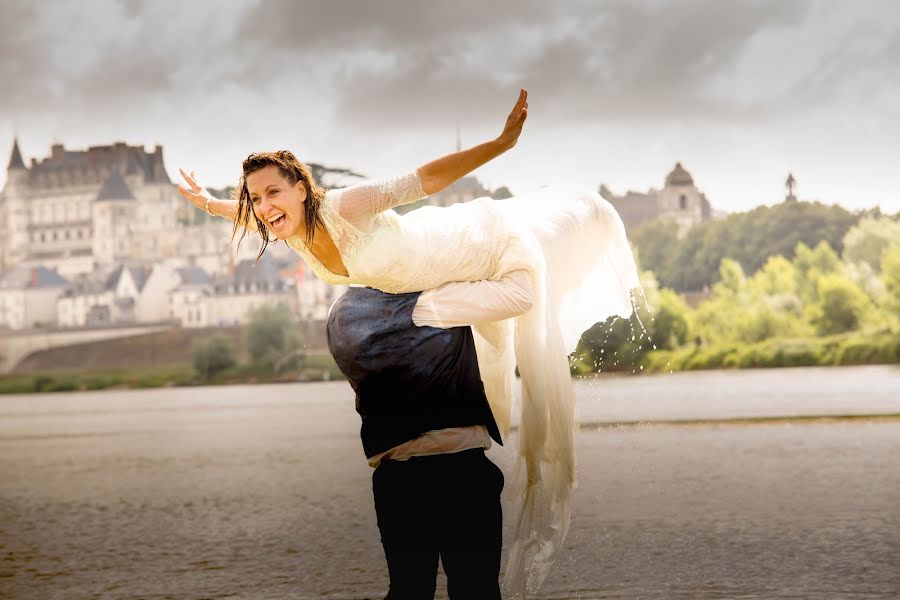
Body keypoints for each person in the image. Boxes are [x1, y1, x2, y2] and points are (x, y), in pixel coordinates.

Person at [177, 89, 640, 595]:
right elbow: (246, 214)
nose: (264, 206)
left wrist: (500, 144)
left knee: (527, 288)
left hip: (462, 251)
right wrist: (211, 204)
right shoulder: (289, 231)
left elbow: (426, 179)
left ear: (302, 190)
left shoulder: (343, 207)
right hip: (421, 291)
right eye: (256, 197)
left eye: (273, 193)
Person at [326, 270, 534, 599]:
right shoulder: (434, 302)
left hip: (395, 480)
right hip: (461, 473)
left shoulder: (339, 316)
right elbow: (521, 294)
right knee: (475, 589)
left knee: (409, 589)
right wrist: (468, 265)